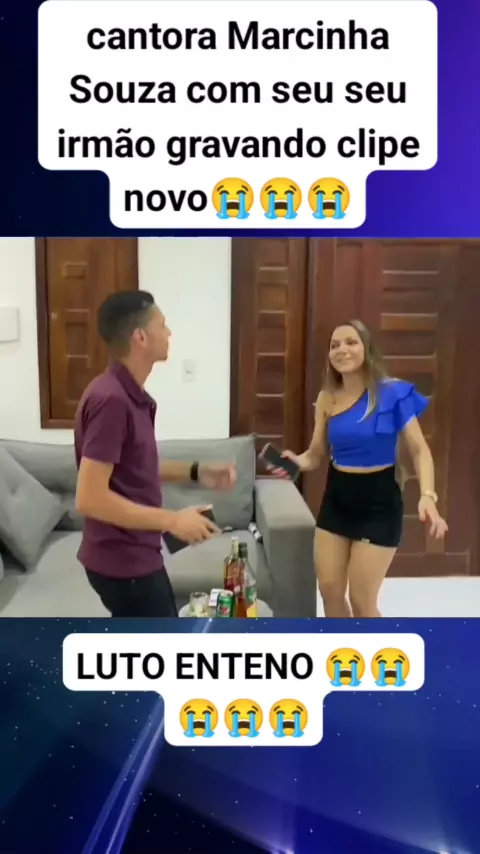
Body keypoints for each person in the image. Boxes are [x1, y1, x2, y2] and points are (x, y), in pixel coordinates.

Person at [267, 319, 448, 619]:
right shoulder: (327, 399)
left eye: (351, 342)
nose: (342, 350)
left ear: (367, 348)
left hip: (379, 503)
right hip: (337, 499)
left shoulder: (392, 393)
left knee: (362, 601)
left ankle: (382, 650)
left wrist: (428, 495)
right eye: (335, 345)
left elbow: (420, 450)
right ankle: (344, 648)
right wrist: (298, 461)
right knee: (330, 590)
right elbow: (316, 454)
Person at [74, 290, 236, 618]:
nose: (169, 333)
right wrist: (172, 520)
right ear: (141, 337)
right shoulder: (111, 400)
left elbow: (133, 464)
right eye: (162, 325)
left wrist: (196, 471)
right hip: (123, 565)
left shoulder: (127, 394)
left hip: (137, 557)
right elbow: (89, 498)